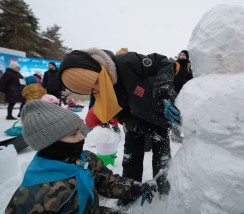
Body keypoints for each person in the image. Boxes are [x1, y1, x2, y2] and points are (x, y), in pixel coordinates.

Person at [58, 48, 181, 201]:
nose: (96, 90)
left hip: (158, 113)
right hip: (134, 121)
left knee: (161, 158)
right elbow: (117, 111)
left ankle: (164, 193)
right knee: (130, 159)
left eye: (95, 83)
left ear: (98, 70)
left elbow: (162, 62)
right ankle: (129, 194)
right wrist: (131, 123)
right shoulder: (100, 91)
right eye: (91, 90)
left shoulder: (127, 62)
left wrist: (163, 95)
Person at [5, 100, 156, 214]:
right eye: (73, 134)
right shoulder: (31, 196)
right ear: (50, 143)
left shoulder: (86, 158)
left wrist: (135, 188)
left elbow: (106, 181)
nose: (82, 137)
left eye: (79, 131)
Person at [171, 50, 193, 143]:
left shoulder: (188, 68)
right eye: (180, 55)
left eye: (184, 55)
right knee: (175, 111)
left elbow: (190, 80)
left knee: (180, 111)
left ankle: (178, 132)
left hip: (182, 93)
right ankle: (175, 134)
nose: (182, 56)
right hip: (173, 91)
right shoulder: (176, 65)